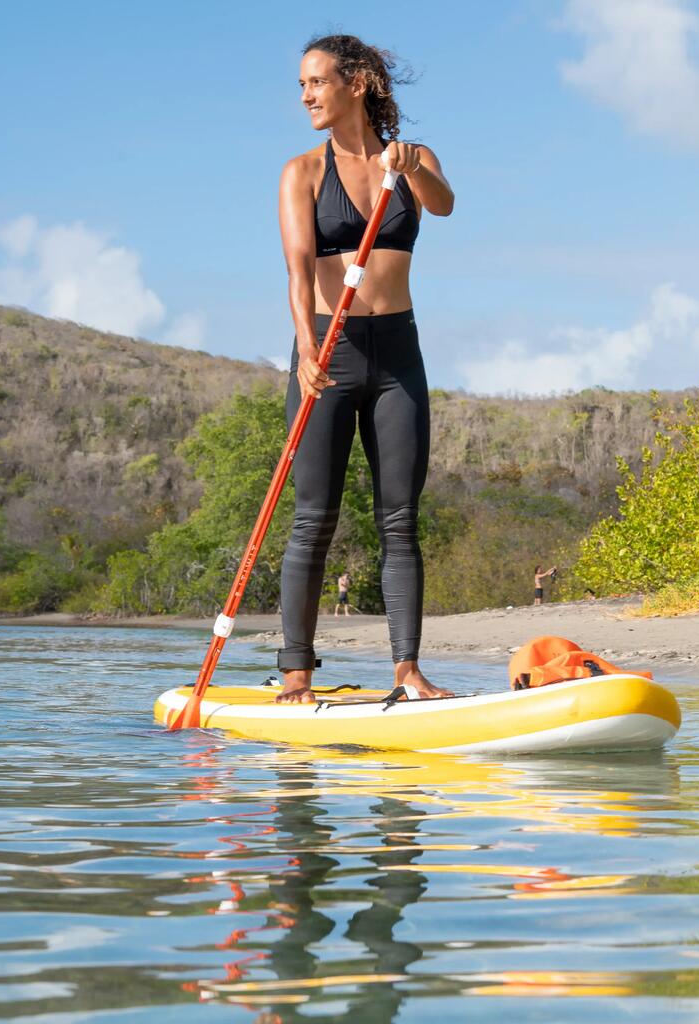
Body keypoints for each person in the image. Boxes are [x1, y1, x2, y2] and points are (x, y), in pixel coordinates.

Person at [276, 33, 455, 703]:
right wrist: (305, 349)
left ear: (357, 82)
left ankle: (407, 669)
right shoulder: (302, 173)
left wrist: (409, 168)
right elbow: (297, 274)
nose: (306, 96)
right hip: (328, 348)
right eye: (301, 85)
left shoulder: (411, 159)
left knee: (399, 518)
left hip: (398, 353)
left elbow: (443, 204)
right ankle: (296, 673)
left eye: (316, 82)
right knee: (313, 517)